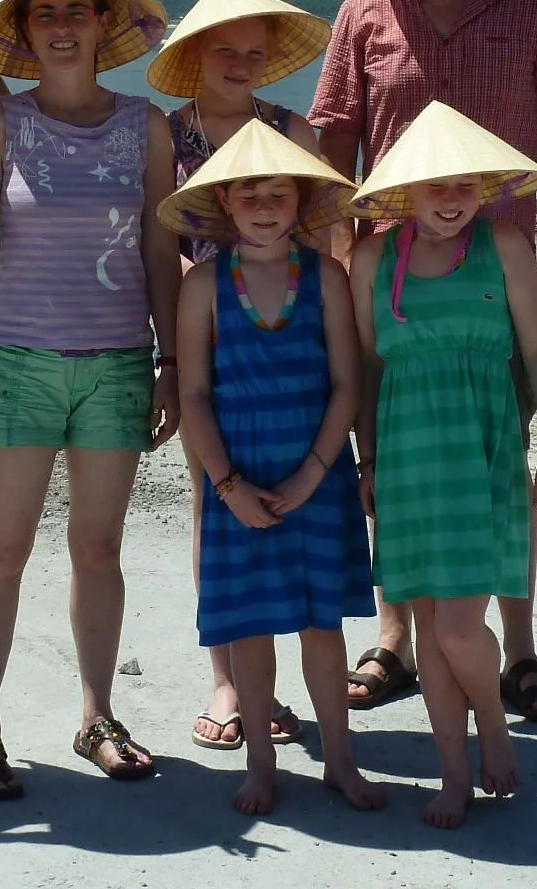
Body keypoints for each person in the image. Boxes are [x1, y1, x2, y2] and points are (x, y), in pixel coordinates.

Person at [310, 0, 537, 724]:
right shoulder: (363, 13)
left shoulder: (535, 8)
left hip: (498, 269)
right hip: (386, 272)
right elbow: (334, 140)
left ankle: (520, 650)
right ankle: (394, 637)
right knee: (392, 453)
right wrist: (337, 254)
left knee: (499, 457)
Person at [0, 0, 181, 798]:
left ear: (100, 25)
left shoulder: (145, 125)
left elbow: (162, 248)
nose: (63, 25)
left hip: (117, 364)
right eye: (45, 15)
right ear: (26, 32)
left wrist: (171, 361)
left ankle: (97, 715)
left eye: (76, 11)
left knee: (98, 550)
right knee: (0, 554)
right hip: (18, 364)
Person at [346, 101, 537, 828]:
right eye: (434, 184)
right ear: (407, 187)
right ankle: (453, 774)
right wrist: (367, 460)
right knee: (436, 631)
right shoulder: (375, 257)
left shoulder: (503, 244)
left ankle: (497, 737)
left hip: (482, 453)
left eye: (464, 185)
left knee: (453, 629)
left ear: (484, 190)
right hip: (408, 457)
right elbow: (366, 369)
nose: (449, 199)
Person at [163, 120, 386, 816]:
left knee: (324, 627)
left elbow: (348, 384)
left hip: (315, 469)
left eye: (278, 193)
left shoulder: (326, 277)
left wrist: (315, 472)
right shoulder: (202, 285)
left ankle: (340, 762)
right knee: (251, 627)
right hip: (238, 471)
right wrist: (225, 485)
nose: (264, 205)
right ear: (225, 203)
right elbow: (193, 392)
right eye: (249, 194)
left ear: (300, 201)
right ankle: (261, 764)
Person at [146, 0, 331, 751]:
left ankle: (288, 679)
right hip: (204, 332)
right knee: (211, 502)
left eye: (256, 54)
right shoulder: (165, 132)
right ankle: (228, 679)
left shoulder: (296, 130)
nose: (241, 64)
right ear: (194, 54)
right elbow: (160, 245)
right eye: (225, 49)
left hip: (288, 329)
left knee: (299, 504)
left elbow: (322, 239)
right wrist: (166, 351)